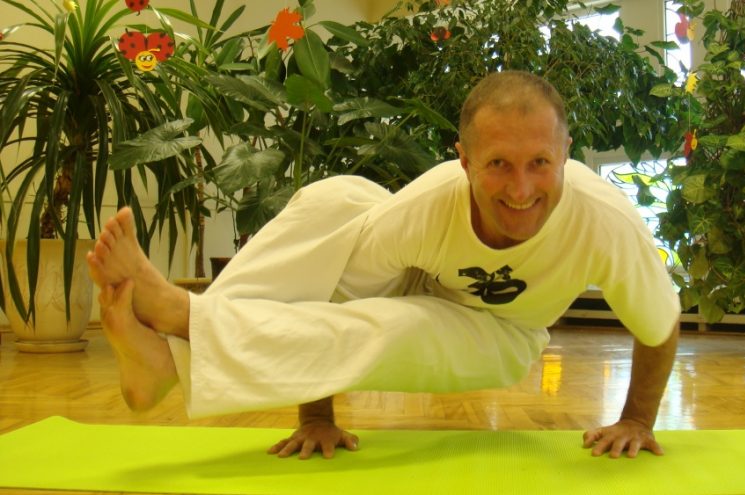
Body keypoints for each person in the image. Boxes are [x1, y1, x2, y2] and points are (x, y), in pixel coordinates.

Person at [87, 70, 680, 461]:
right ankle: (164, 361)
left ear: (566, 154)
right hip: (417, 274)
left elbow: (660, 323)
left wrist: (637, 420)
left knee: (401, 324)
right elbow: (331, 291)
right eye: (499, 163)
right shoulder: (429, 205)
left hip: (502, 334)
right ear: (465, 161)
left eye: (540, 163)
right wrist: (317, 415)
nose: (520, 189)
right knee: (337, 199)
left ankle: (180, 320)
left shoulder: (605, 220)